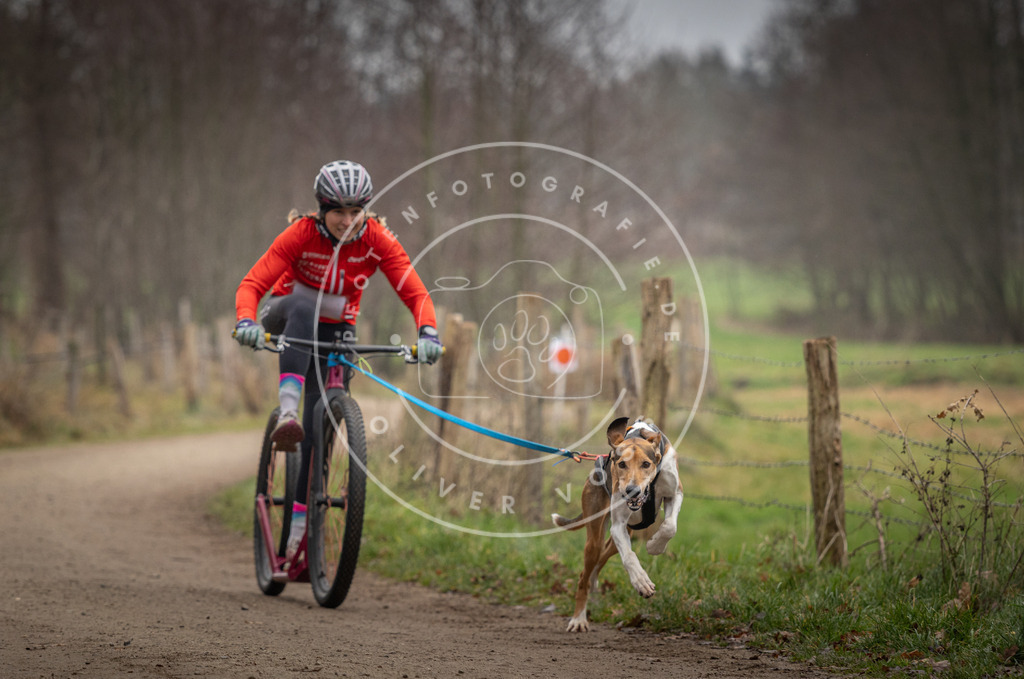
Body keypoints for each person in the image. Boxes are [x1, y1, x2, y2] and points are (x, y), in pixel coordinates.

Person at [234, 159, 442, 557]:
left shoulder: (378, 239)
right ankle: (288, 411)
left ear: (365, 209)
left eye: (355, 211)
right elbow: (253, 284)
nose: (347, 220)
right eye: (338, 212)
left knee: (318, 437)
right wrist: (246, 321)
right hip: (286, 312)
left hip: (336, 327)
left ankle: (298, 533)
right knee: (304, 302)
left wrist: (428, 332)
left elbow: (415, 293)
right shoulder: (299, 234)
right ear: (321, 210)